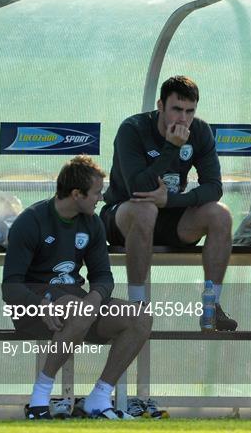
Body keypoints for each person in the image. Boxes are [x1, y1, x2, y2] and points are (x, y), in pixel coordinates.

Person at [2, 156, 152, 420]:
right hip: (36, 310)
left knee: (141, 317)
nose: (101, 197)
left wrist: (95, 297)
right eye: (96, 192)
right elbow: (10, 287)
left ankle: (99, 397)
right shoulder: (30, 221)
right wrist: (40, 305)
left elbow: (103, 277)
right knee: (78, 307)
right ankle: (39, 399)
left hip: (80, 309)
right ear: (76, 194)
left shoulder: (92, 223)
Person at [100, 75, 237, 331]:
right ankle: (138, 308)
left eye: (189, 111)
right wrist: (171, 148)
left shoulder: (200, 131)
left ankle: (212, 306)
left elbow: (214, 187)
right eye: (176, 109)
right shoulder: (133, 129)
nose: (183, 118)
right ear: (161, 105)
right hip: (124, 216)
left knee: (221, 214)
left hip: (170, 214)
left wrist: (172, 200)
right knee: (145, 209)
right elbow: (138, 189)